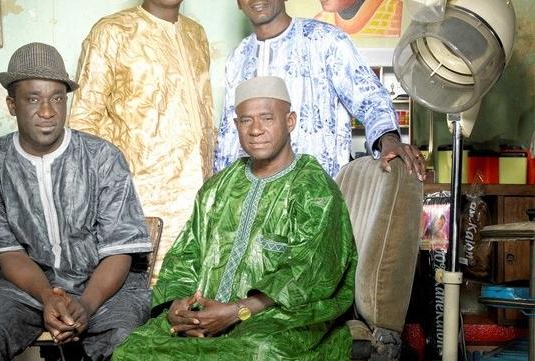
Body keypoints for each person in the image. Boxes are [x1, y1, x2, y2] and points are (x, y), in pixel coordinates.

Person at [112, 76, 357, 360]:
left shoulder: (314, 189)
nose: (255, 130)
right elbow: (186, 256)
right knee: (132, 351)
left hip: (280, 319)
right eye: (245, 120)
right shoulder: (217, 188)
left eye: (267, 118)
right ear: (236, 125)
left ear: (290, 121)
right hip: (203, 316)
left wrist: (237, 311)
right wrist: (177, 307)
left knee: (257, 352)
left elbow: (309, 273)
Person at [0, 42, 152, 361]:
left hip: (102, 283)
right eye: (33, 98)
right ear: (11, 104)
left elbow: (120, 251)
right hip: (23, 287)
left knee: (129, 338)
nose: (47, 111)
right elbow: (8, 253)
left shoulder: (102, 158)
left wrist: (86, 305)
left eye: (57, 98)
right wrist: (47, 295)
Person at [68, 0, 214, 282]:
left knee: (193, 297)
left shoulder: (196, 34)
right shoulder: (111, 32)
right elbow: (83, 124)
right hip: (139, 199)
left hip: (200, 198)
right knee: (144, 297)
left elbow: (205, 114)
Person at [215, 0, 425, 181]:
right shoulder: (238, 58)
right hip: (257, 204)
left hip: (319, 201)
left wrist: (389, 141)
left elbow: (370, 99)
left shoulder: (326, 41)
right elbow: (229, 137)